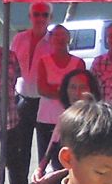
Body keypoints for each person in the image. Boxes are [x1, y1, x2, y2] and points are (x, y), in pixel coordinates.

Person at [4, 2, 52, 184]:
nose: (40, 18)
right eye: (36, 14)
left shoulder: (53, 41)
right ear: (30, 16)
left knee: (45, 153)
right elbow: (10, 68)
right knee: (18, 151)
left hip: (46, 102)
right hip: (22, 99)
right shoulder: (19, 38)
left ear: (50, 17)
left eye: (44, 14)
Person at [32, 24, 86, 173]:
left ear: (69, 38)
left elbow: (81, 90)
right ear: (50, 40)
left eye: (63, 35)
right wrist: (66, 91)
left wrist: (55, 88)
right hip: (46, 119)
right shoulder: (44, 61)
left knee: (68, 161)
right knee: (44, 162)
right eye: (56, 35)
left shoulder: (78, 63)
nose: (60, 39)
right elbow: (42, 89)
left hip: (72, 119)